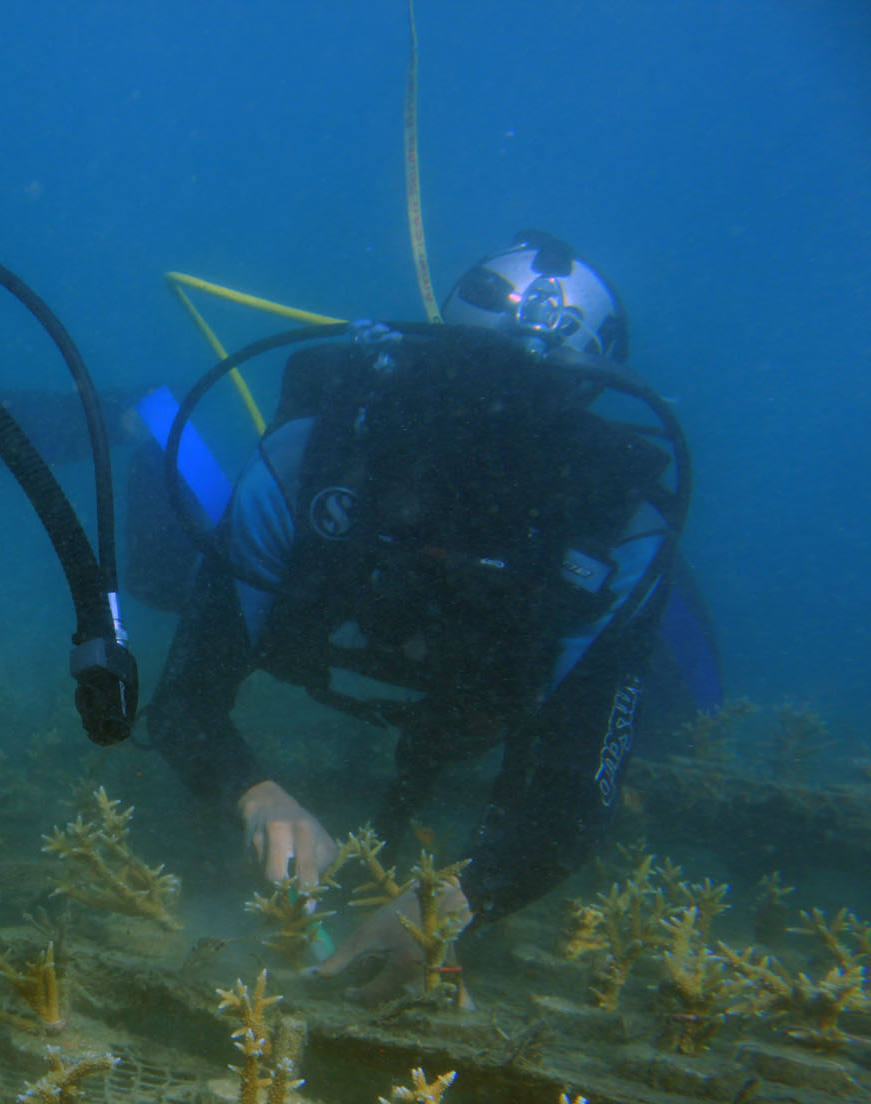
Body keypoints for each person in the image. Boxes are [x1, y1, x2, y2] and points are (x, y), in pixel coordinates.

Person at [143, 233, 685, 1001]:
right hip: (312, 601)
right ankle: (143, 422)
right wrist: (253, 790)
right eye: (462, 405)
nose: (479, 473)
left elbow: (576, 799)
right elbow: (183, 699)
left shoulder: (619, 533)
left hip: (488, 686)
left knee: (661, 700)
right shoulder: (309, 458)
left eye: (523, 431)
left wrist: (460, 900)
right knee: (162, 556)